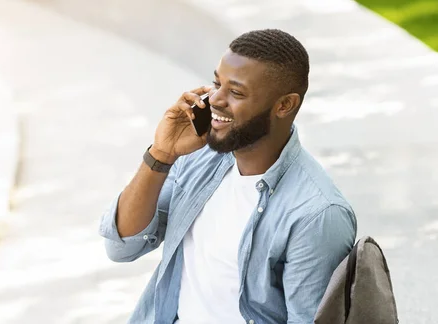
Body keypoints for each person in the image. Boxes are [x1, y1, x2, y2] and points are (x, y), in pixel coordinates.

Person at [99, 29, 357, 324]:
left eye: (235, 92)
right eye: (216, 83)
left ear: (284, 105)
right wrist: (161, 155)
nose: (215, 100)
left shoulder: (317, 214)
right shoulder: (200, 158)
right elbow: (121, 247)